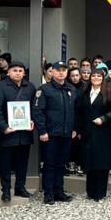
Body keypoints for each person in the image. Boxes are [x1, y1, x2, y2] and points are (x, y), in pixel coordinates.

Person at [33, 61, 79, 205]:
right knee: (49, 164)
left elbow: (76, 112)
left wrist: (74, 129)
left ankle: (59, 192)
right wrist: (42, 131)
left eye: (64, 70)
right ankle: (48, 193)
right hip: (50, 134)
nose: (61, 73)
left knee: (61, 164)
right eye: (58, 70)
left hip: (66, 134)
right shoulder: (44, 89)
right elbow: (38, 111)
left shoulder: (71, 90)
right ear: (51, 72)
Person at [0, 61, 35, 202]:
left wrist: (32, 120)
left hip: (24, 133)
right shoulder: (0, 86)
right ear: (8, 72)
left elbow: (34, 108)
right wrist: (3, 127)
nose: (18, 73)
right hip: (7, 133)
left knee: (22, 162)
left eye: (20, 70)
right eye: (14, 70)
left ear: (24, 73)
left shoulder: (30, 87)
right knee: (5, 164)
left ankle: (20, 188)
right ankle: (6, 191)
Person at [77, 68, 111, 201]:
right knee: (89, 161)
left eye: (98, 76)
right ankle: (90, 191)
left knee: (101, 161)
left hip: (103, 132)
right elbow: (80, 111)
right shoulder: (84, 92)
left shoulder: (109, 91)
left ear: (103, 78)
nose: (95, 78)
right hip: (88, 131)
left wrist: (104, 119)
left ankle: (100, 192)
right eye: (93, 76)